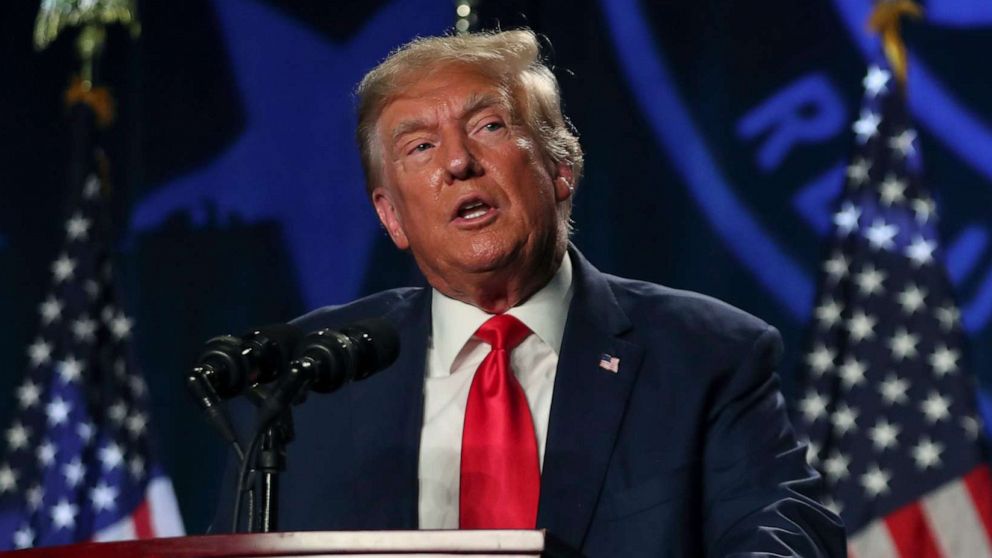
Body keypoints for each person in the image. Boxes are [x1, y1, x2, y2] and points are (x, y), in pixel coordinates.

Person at [216, 29, 846, 556]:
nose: (457, 162)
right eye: (420, 146)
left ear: (560, 166)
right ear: (391, 218)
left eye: (488, 126)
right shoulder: (308, 380)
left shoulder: (705, 354)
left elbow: (789, 535)